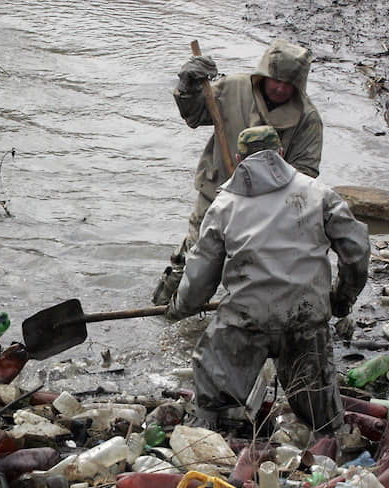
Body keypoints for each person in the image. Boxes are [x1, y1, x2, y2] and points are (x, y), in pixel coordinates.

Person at [165, 125, 369, 435]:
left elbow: (199, 278)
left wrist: (178, 308)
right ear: (281, 153)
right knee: (322, 416)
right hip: (306, 316)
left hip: (247, 319)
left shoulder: (223, 206)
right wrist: (342, 298)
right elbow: (357, 250)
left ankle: (208, 433)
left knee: (212, 394)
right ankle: (332, 447)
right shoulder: (318, 193)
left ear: (237, 159)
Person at [152, 39, 323, 304]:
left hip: (269, 212)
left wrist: (265, 194)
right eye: (274, 79)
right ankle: (165, 308)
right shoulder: (232, 89)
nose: (279, 87)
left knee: (258, 276)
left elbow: (305, 175)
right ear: (263, 75)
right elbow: (194, 116)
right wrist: (188, 85)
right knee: (192, 259)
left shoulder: (307, 119)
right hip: (216, 194)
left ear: (298, 84)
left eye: (288, 83)